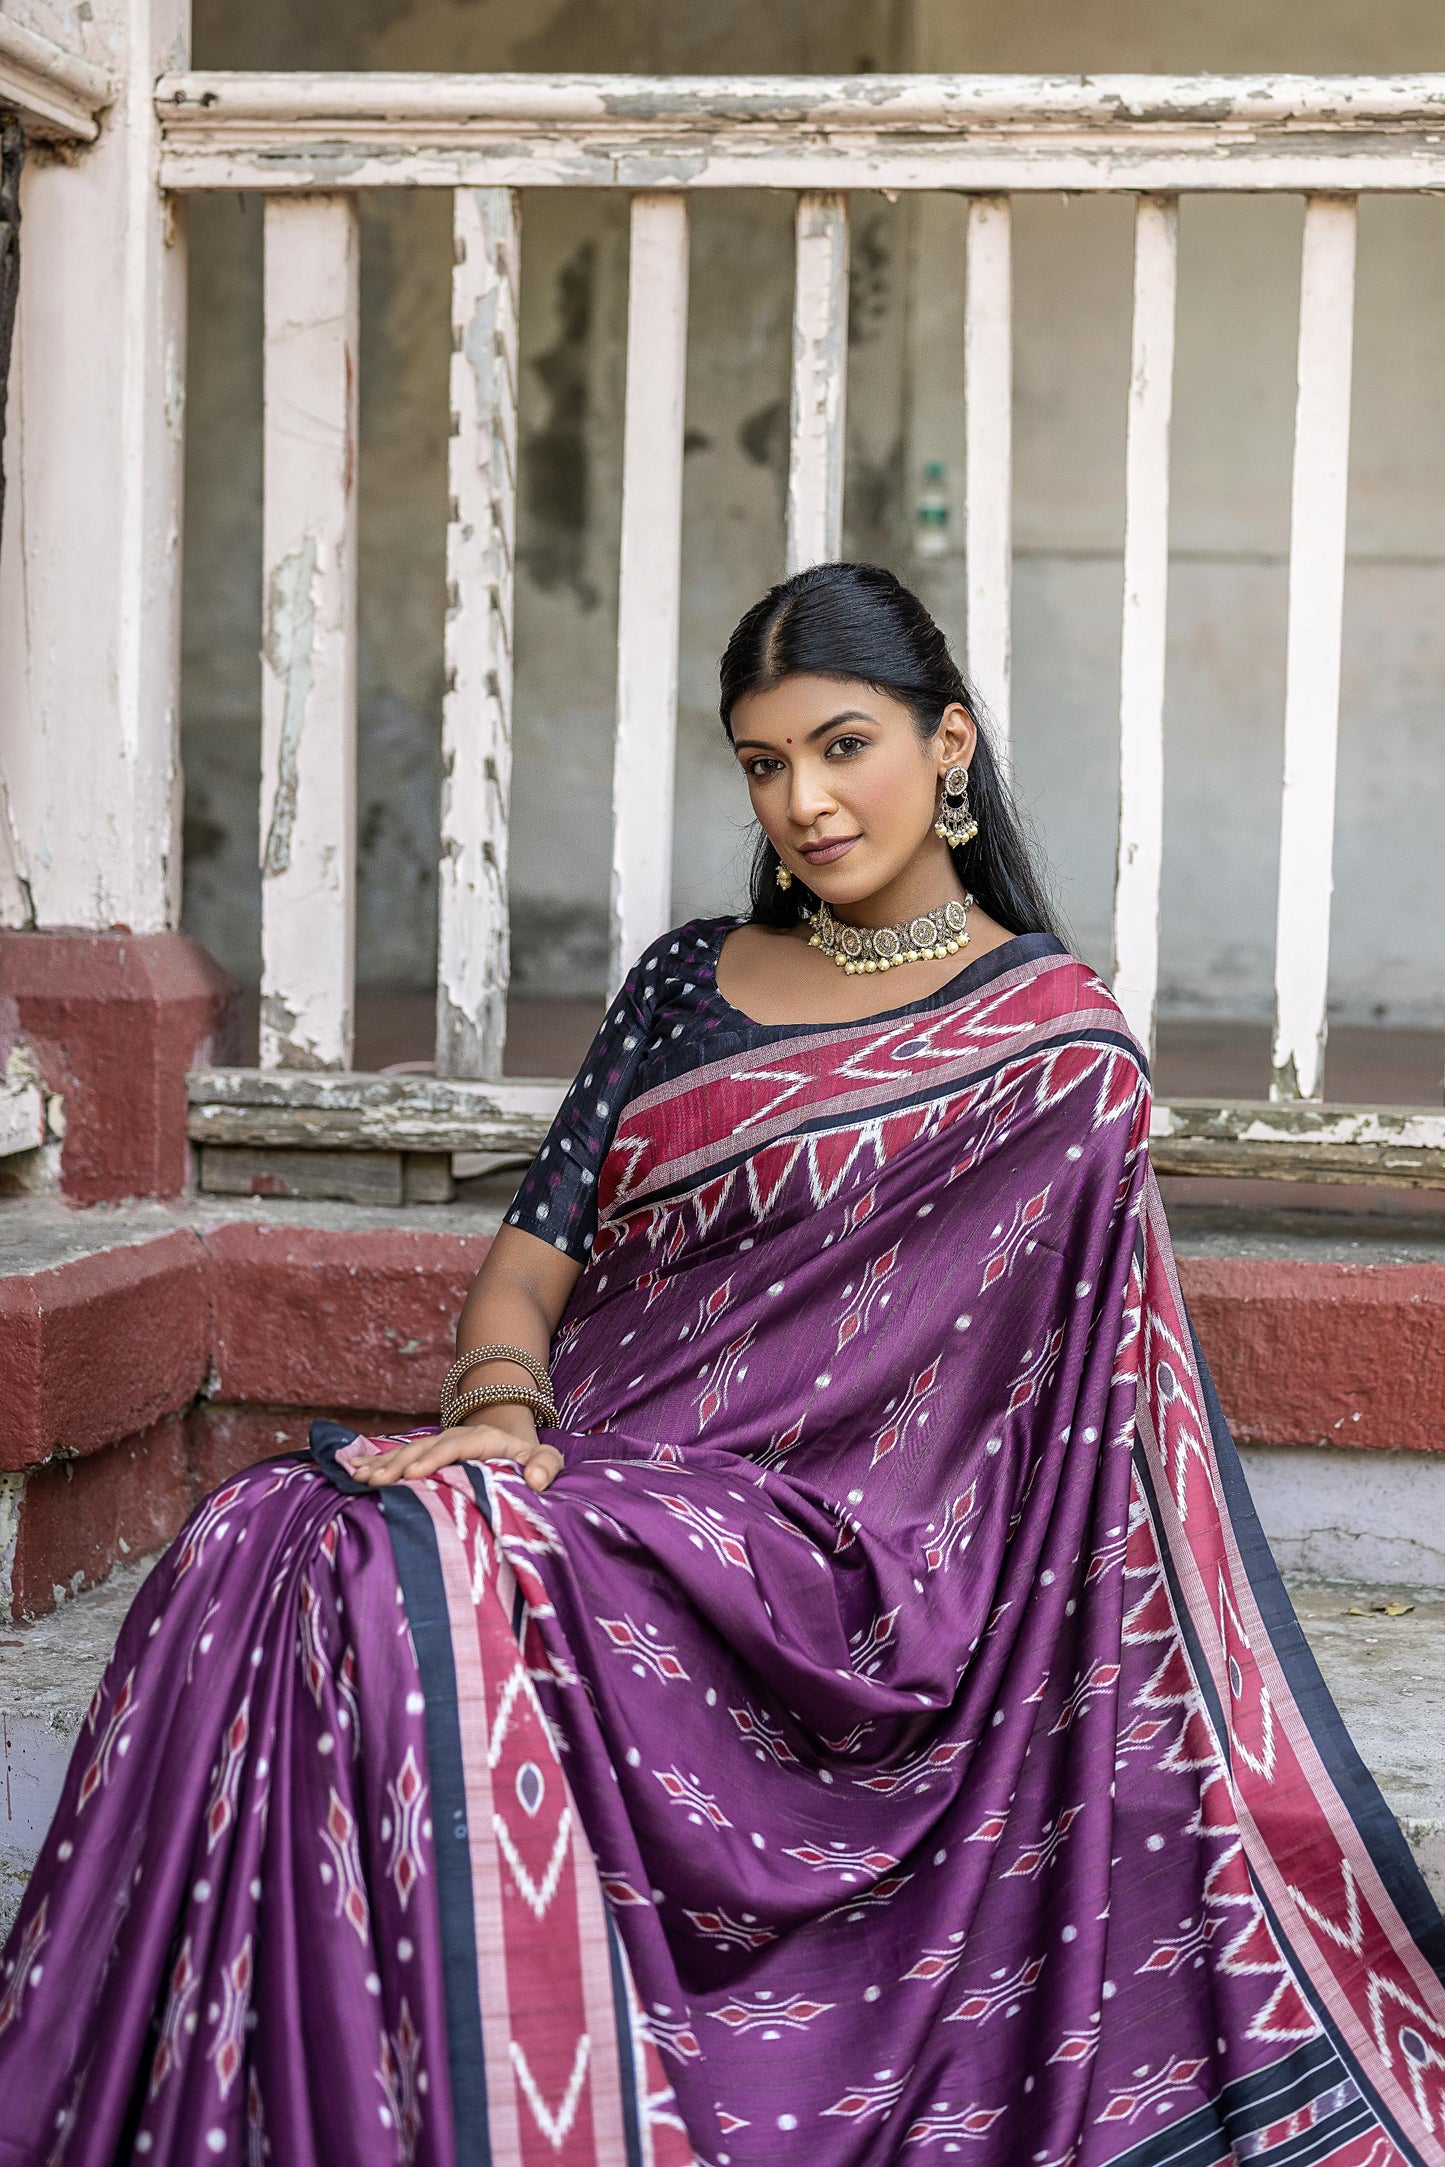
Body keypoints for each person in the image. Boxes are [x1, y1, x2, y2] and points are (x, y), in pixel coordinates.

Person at [2, 562, 1442, 2167]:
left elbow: (1046, 1440)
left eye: (843, 747)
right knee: (259, 1543)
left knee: (400, 1583)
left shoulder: (1055, 1054)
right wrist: (494, 1411)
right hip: (590, 1466)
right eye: (764, 766)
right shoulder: (681, 986)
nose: (806, 803)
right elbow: (528, 1269)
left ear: (946, 743)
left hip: (836, 1567)